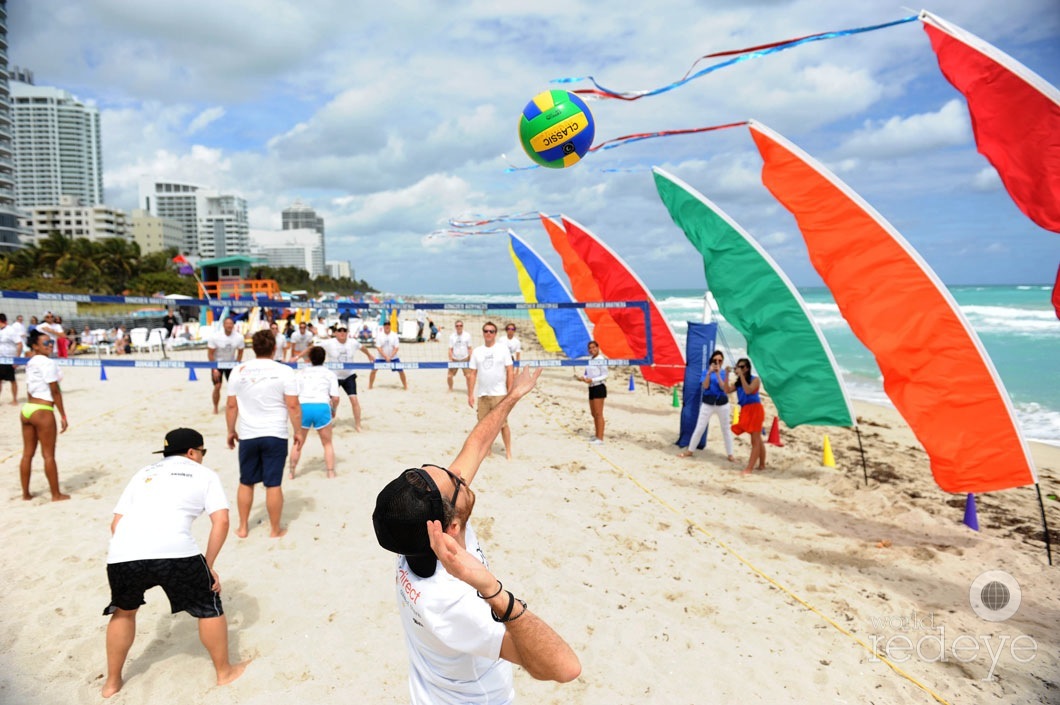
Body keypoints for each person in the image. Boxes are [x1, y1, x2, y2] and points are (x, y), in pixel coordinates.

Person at [373, 366, 580, 703]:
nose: (459, 475)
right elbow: (564, 668)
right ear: (451, 526)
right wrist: (492, 590)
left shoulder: (413, 531)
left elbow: (478, 444)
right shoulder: (452, 602)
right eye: (454, 481)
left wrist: (512, 395)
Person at [101, 428, 249, 698]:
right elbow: (222, 520)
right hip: (176, 551)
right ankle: (224, 672)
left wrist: (134, 549)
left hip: (123, 553)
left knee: (124, 611)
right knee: (209, 606)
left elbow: (116, 523)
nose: (202, 457)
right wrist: (209, 564)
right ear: (193, 452)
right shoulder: (204, 474)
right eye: (202, 452)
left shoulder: (143, 473)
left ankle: (111, 683)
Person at [226, 330, 301, 538]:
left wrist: (231, 430)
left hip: (248, 434)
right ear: (274, 347)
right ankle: (275, 530)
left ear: (253, 347)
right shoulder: (285, 371)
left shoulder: (238, 371)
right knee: (273, 484)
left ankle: (242, 528)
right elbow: (293, 406)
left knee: (246, 481)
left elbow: (231, 406)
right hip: (275, 434)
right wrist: (298, 432)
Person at [18, 330, 69, 501]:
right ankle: (56, 494)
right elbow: (55, 390)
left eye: (51, 342)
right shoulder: (47, 363)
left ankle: (25, 494)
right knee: (48, 455)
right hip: (42, 410)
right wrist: (63, 415)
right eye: (46, 343)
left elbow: (29, 387)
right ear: (35, 346)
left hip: (27, 409)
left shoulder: (31, 362)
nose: (50, 345)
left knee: (27, 454)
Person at [288, 346, 340, 479]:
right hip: (321, 406)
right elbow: (335, 397)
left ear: (309, 358)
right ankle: (330, 472)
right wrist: (333, 410)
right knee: (327, 443)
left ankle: (291, 472)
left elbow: (294, 394)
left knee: (298, 442)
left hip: (304, 406)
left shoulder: (301, 373)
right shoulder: (330, 374)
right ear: (324, 359)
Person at [677, 350, 736, 462]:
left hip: (722, 403)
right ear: (711, 361)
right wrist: (709, 373)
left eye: (720, 360)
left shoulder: (724, 373)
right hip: (708, 403)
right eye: (715, 360)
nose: (717, 362)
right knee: (700, 427)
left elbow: (724, 388)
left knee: (726, 429)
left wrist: (718, 374)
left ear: (722, 361)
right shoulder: (705, 372)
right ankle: (690, 450)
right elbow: (705, 386)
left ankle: (730, 454)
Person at [467, 322, 514, 459]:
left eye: (491, 331)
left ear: (495, 333)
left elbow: (510, 371)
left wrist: (509, 391)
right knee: (483, 424)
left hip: (499, 393)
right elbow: (472, 374)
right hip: (483, 393)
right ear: (483, 333)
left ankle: (508, 451)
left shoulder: (503, 349)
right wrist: (470, 394)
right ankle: (487, 451)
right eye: (486, 331)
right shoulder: (477, 351)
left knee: (503, 424)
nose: (488, 333)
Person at [323, 325, 365, 431]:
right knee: (333, 401)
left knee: (354, 400)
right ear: (335, 333)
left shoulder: (352, 342)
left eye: (344, 330)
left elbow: (363, 347)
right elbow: (312, 347)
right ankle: (330, 419)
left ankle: (358, 425)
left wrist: (370, 356)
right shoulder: (329, 343)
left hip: (349, 375)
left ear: (347, 332)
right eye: (339, 330)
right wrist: (298, 357)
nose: (342, 332)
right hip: (334, 376)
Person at [729, 357, 766, 475]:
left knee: (754, 440)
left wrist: (742, 377)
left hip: (755, 409)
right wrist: (724, 375)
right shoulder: (739, 383)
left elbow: (748, 390)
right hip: (745, 410)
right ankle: (762, 464)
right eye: (738, 366)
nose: (740, 368)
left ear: (747, 368)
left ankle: (749, 468)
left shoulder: (755, 380)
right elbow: (726, 390)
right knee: (757, 439)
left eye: (742, 367)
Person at [208, 317, 245, 414]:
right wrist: (214, 368)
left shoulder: (239, 337)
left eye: (231, 323)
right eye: (227, 324)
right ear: (223, 325)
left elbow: (240, 352)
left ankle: (236, 407)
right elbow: (210, 354)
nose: (229, 325)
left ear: (233, 325)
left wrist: (237, 366)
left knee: (235, 387)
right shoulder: (215, 336)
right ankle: (215, 407)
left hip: (231, 364)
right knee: (217, 386)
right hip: (217, 364)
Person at [575, 339, 608, 444]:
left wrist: (592, 380)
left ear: (598, 348)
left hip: (599, 387)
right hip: (591, 387)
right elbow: (587, 373)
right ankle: (596, 435)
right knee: (594, 413)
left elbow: (605, 375)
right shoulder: (590, 360)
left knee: (599, 413)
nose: (592, 349)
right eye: (590, 348)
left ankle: (600, 438)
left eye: (594, 347)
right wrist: (583, 378)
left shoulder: (600, 359)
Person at [368, 320, 407, 390]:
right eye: (385, 324)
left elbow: (396, 348)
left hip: (393, 357)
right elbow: (378, 347)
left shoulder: (394, 335)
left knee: (401, 371)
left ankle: (405, 386)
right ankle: (370, 386)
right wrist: (386, 357)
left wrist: (390, 357)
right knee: (373, 370)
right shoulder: (379, 335)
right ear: (383, 326)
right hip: (381, 358)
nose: (387, 326)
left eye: (388, 324)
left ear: (390, 326)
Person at [0, 313, 22, 404]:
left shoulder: (11, 330)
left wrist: (17, 359)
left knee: (12, 380)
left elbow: (20, 344)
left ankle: (14, 399)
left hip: (10, 359)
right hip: (1, 359)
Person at [447, 320, 472, 393]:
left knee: (468, 376)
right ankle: (450, 389)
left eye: (460, 325)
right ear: (455, 327)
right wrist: (450, 359)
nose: (459, 327)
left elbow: (470, 348)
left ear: (462, 326)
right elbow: (450, 349)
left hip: (465, 358)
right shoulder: (452, 336)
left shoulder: (467, 335)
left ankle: (469, 391)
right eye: (457, 326)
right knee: (449, 376)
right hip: (455, 359)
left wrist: (471, 359)